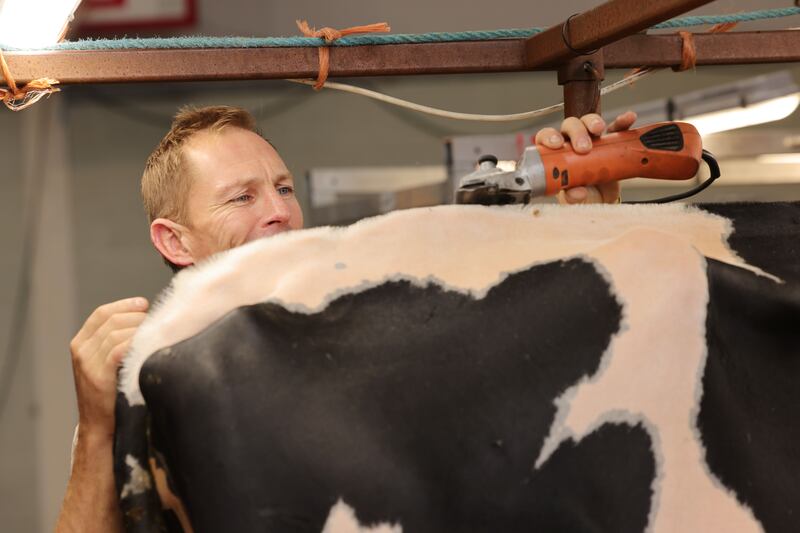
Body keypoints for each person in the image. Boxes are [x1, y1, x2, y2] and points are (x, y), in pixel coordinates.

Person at [55, 104, 637, 532]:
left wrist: (583, 224)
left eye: (283, 188)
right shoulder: (152, 387)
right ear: (173, 242)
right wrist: (99, 429)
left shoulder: (369, 338)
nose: (281, 212)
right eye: (243, 198)